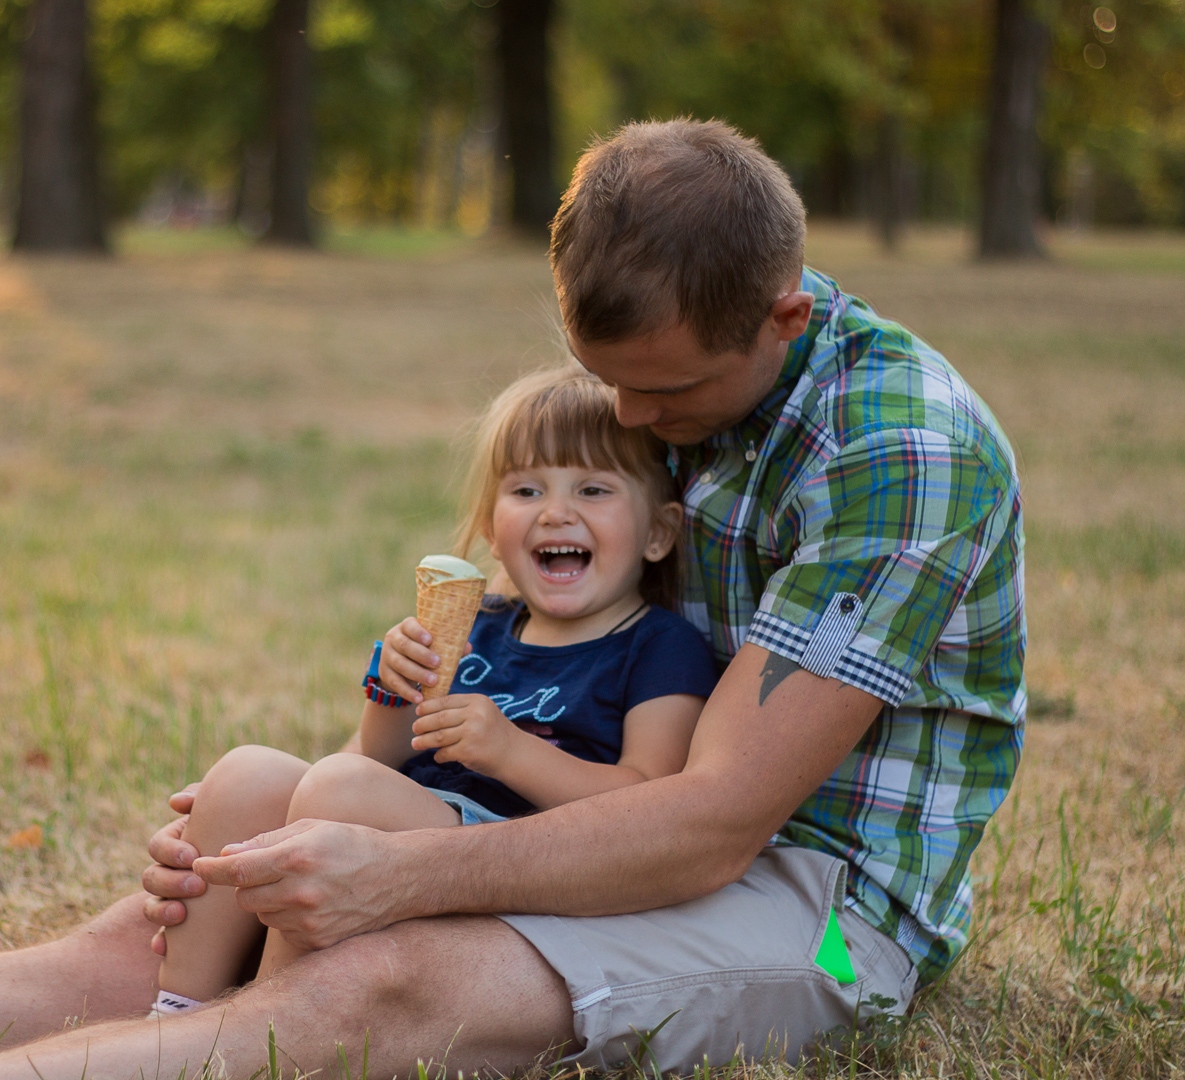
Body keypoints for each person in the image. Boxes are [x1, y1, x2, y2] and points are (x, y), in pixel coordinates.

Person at [0, 119, 1025, 1079]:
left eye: (664, 395)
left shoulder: (902, 450)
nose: (632, 418)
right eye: (603, 379)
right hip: (583, 820)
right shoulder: (686, 348)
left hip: (817, 898)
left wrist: (394, 872)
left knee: (374, 984)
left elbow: (716, 825)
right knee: (151, 943)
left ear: (786, 318)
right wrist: (291, 826)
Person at [150, 367, 718, 1015]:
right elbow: (380, 757)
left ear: (657, 532)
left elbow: (646, 798)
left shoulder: (658, 646)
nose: (555, 511)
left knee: (338, 787)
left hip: (520, 856)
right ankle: (175, 1010)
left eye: (592, 489)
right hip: (414, 820)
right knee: (248, 771)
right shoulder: (479, 625)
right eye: (527, 489)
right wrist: (392, 691)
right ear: (489, 523)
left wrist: (509, 752)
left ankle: (268, 1020)